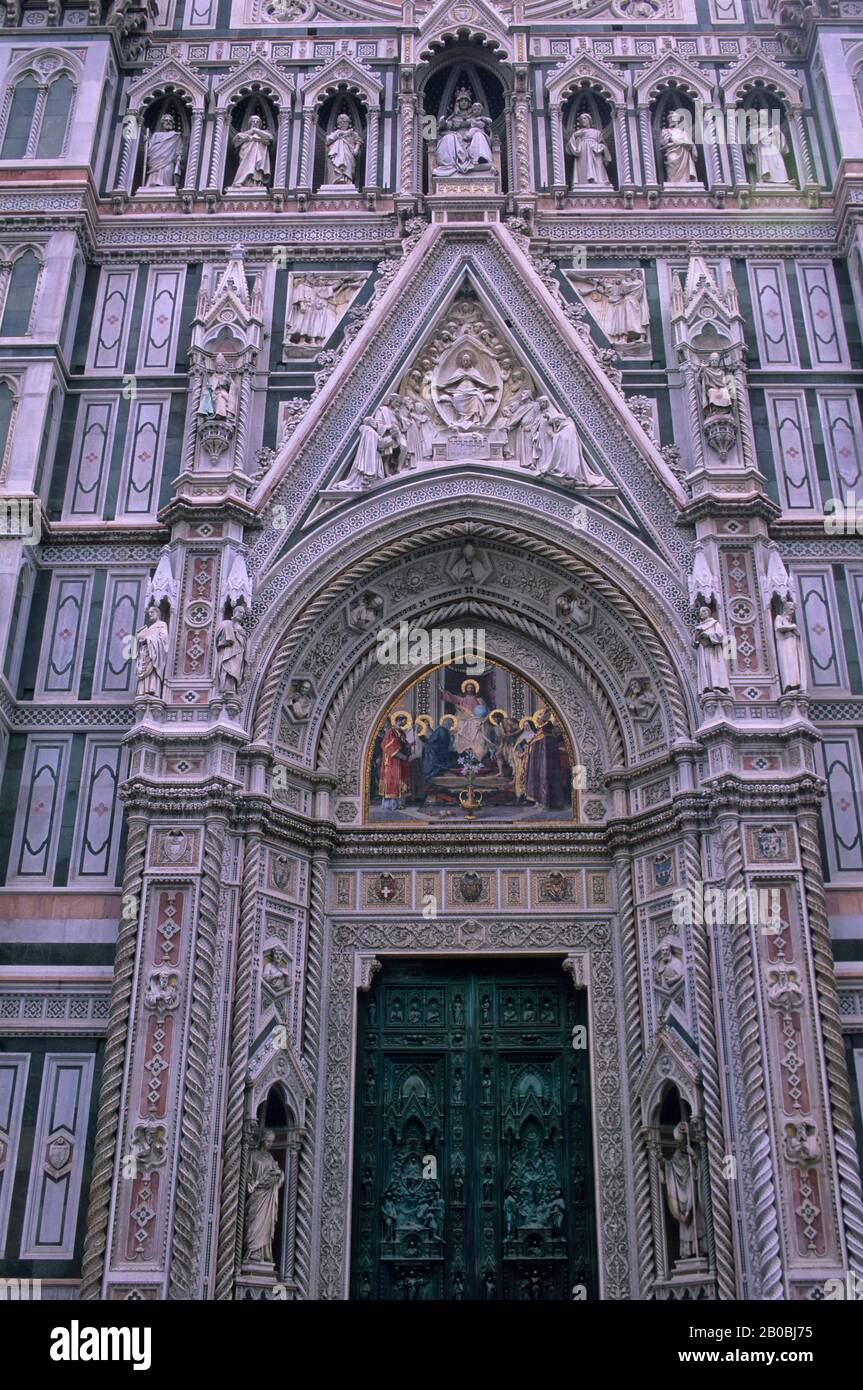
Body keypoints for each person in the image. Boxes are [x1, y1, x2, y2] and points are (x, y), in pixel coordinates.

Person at [333, 417, 386, 491]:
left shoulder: (367, 431)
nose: (375, 423)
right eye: (373, 421)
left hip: (372, 457)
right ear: (369, 422)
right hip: (370, 460)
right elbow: (375, 447)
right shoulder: (370, 432)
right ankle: (365, 480)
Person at [567, 112, 612, 187]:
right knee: (584, 168)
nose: (582, 120)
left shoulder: (597, 133)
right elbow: (569, 147)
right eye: (581, 119)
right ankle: (583, 182)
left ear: (589, 120)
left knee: (598, 166)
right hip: (582, 152)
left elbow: (603, 144)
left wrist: (600, 147)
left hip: (595, 152)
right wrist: (575, 136)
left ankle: (599, 181)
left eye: (584, 118)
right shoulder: (577, 133)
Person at [142, 112, 183, 188]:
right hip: (155, 163)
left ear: (173, 124)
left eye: (170, 121)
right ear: (162, 123)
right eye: (166, 120)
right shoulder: (156, 135)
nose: (168, 122)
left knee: (166, 178)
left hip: (168, 162)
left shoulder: (176, 136)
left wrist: (179, 157)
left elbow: (179, 150)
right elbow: (149, 151)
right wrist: (146, 143)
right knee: (153, 182)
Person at [231, 114, 273, 188]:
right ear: (250, 123)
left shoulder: (263, 134)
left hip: (259, 154)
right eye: (253, 121)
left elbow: (270, 137)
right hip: (246, 154)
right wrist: (249, 134)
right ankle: (242, 181)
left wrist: (256, 131)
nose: (255, 122)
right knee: (246, 166)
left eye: (257, 121)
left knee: (256, 168)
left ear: (260, 124)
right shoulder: (243, 134)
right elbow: (235, 142)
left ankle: (256, 183)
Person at [660, 109, 698, 184]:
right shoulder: (666, 131)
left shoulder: (683, 132)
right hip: (672, 152)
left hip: (684, 154)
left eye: (673, 119)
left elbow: (689, 143)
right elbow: (663, 143)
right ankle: (672, 182)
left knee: (685, 171)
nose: (671, 121)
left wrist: (678, 142)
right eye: (670, 119)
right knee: (672, 159)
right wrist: (669, 140)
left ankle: (686, 181)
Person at [326, 113, 363, 186]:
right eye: (341, 122)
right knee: (337, 166)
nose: (343, 124)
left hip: (348, 154)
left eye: (345, 122)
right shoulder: (336, 133)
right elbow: (328, 141)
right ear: (338, 124)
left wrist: (356, 149)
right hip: (337, 154)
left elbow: (359, 141)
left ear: (348, 123)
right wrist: (338, 135)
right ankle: (337, 179)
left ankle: (346, 180)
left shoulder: (352, 133)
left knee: (347, 166)